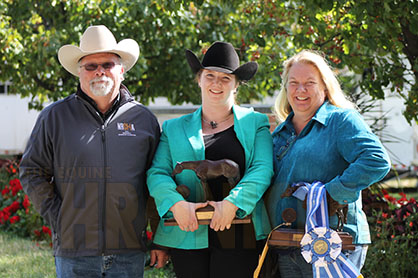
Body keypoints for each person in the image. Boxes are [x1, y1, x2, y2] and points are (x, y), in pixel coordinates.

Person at [19, 25, 162, 277]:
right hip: (75, 253)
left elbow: (157, 181)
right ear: (79, 72)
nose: (100, 72)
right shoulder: (54, 117)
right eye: (91, 66)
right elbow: (32, 171)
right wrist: (59, 218)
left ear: (122, 71)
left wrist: (159, 237)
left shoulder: (144, 120)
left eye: (107, 64)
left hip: (128, 252)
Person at [146, 41, 273, 278]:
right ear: (199, 79)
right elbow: (157, 173)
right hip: (187, 230)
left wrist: (233, 203)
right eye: (210, 75)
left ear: (236, 85)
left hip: (239, 229)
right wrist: (176, 204)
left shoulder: (256, 123)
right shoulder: (173, 128)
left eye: (226, 78)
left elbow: (262, 169)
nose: (216, 83)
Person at [265, 50, 391, 277]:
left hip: (334, 244)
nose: (300, 90)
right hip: (287, 244)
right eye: (293, 83)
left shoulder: (341, 120)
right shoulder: (279, 134)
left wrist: (332, 193)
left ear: (324, 86)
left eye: (309, 83)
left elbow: (376, 160)